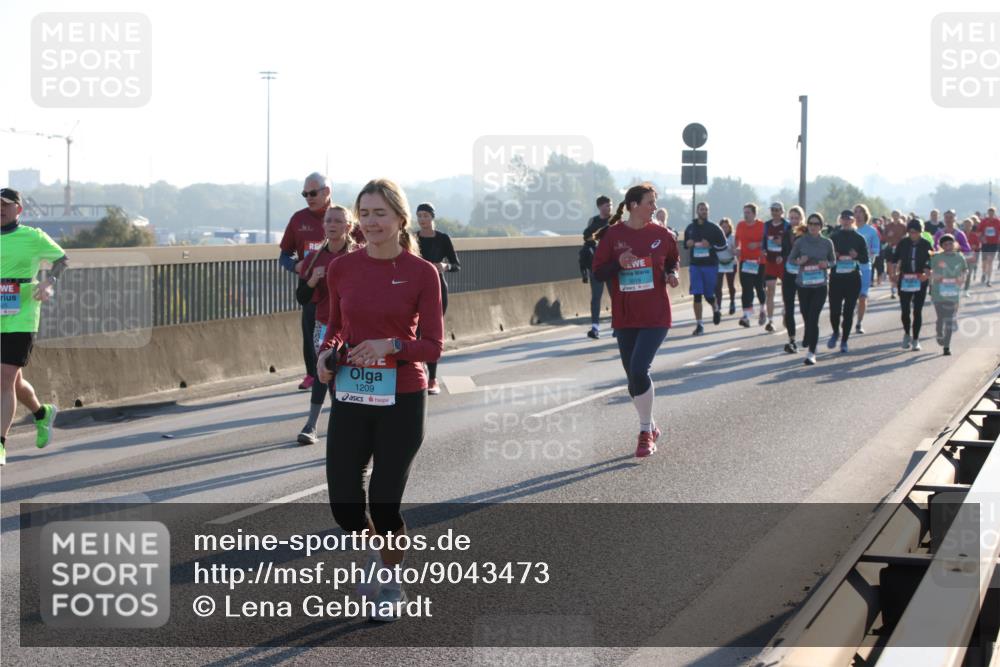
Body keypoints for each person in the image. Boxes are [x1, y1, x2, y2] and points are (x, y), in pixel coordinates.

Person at [317, 178, 443, 621]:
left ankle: (390, 581)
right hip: (352, 392)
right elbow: (334, 326)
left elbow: (431, 347)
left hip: (403, 396)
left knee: (385, 499)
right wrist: (324, 355)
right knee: (346, 507)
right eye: (364, 214)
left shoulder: (422, 272)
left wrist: (391, 345)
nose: (371, 223)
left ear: (400, 219)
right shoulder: (342, 269)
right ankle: (378, 556)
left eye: (380, 214)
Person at [592, 183, 679, 458]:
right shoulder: (612, 236)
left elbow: (672, 261)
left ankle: (644, 433)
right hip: (626, 316)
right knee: (633, 378)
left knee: (640, 369)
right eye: (649, 202)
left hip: (655, 315)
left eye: (655, 202)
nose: (654, 207)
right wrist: (620, 263)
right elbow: (598, 273)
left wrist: (672, 274)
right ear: (633, 205)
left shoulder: (663, 235)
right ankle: (651, 425)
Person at [1, 188, 68, 465]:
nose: (0, 209)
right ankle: (41, 413)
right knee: (11, 381)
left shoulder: (32, 236)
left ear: (19, 209)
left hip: (22, 313)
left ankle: (1, 445)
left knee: (3, 379)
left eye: (6, 205)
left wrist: (48, 283)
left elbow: (61, 259)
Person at [295, 205, 357, 445]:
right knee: (324, 369)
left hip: (353, 326)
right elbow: (301, 297)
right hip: (324, 324)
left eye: (338, 221)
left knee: (346, 376)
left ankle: (347, 427)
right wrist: (312, 280)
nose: (332, 224)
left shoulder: (356, 257)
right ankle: (311, 425)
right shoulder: (314, 259)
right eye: (328, 220)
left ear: (348, 227)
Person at [280, 173, 332, 391]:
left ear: (326, 192)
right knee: (310, 331)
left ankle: (338, 368)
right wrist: (296, 266)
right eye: (305, 194)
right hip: (310, 287)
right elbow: (284, 255)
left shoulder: (341, 217)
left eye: (312, 193)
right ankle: (312, 374)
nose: (308, 198)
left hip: (337, 289)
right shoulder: (298, 219)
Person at [415, 202, 460, 395]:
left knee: (432, 333)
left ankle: (433, 379)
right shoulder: (412, 238)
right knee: (413, 332)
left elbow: (456, 265)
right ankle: (417, 372)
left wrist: (445, 266)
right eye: (419, 216)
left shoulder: (443, 238)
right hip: (414, 288)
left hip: (438, 288)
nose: (422, 219)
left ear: (433, 217)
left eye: (426, 215)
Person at [787, 212, 836, 365]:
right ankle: (808, 332)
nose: (813, 226)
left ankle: (811, 353)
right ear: (807, 225)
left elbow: (833, 261)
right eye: (811, 224)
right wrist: (799, 261)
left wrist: (826, 265)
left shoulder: (827, 243)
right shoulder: (800, 242)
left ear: (821, 226)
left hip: (820, 285)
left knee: (813, 317)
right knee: (806, 314)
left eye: (816, 224)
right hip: (804, 285)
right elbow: (791, 259)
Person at [826, 210, 868, 352]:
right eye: (843, 219)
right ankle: (835, 332)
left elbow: (865, 259)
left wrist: (856, 255)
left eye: (848, 219)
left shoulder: (859, 238)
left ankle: (844, 341)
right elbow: (827, 258)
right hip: (836, 278)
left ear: (853, 221)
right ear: (840, 221)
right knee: (834, 310)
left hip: (853, 278)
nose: (846, 221)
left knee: (849, 311)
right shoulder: (834, 237)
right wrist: (834, 256)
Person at [682, 201, 726, 334]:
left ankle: (716, 308)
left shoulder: (714, 228)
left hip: (710, 265)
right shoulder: (690, 228)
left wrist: (710, 245)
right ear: (697, 211)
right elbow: (685, 244)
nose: (704, 212)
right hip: (695, 265)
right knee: (697, 294)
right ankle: (699, 325)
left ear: (708, 211)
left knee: (708, 295)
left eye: (706, 210)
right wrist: (688, 243)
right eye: (701, 209)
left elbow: (723, 245)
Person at [890, 219, 933, 351]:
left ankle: (915, 339)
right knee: (905, 310)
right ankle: (907, 334)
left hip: (920, 279)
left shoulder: (926, 244)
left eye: (915, 232)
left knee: (917, 310)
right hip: (905, 279)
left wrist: (927, 272)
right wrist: (893, 274)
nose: (912, 234)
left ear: (920, 232)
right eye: (910, 232)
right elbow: (894, 259)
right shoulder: (903, 243)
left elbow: (931, 260)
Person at [931, 234, 968, 356]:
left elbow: (965, 270)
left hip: (953, 293)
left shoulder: (959, 257)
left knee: (949, 319)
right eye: (945, 244)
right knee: (941, 317)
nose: (948, 246)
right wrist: (933, 275)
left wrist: (962, 277)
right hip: (938, 293)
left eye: (950, 243)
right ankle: (938, 330)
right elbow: (928, 270)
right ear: (941, 246)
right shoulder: (936, 257)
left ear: (954, 244)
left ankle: (946, 347)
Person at [582, 196, 613, 339]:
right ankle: (595, 328)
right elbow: (587, 240)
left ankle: (618, 326)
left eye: (611, 205)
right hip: (597, 265)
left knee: (616, 297)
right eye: (607, 205)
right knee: (596, 297)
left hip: (613, 265)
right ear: (600, 207)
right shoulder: (593, 221)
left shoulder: (616, 220)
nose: (610, 207)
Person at [735, 203, 766, 328]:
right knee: (746, 289)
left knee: (759, 287)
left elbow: (767, 241)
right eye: (744, 212)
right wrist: (737, 247)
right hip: (745, 261)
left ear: (754, 214)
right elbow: (737, 239)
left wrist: (758, 245)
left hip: (760, 261)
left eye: (748, 212)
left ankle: (763, 309)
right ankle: (747, 316)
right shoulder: (740, 225)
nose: (746, 215)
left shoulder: (762, 226)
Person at [780, 206, 806, 353]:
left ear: (802, 219)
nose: (794, 221)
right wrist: (781, 257)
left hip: (803, 274)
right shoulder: (786, 233)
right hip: (789, 273)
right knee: (788, 307)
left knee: (804, 307)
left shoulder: (807, 233)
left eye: (797, 218)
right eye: (792, 218)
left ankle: (808, 334)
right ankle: (791, 340)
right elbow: (784, 251)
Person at [762, 202, 790, 333]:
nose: (775, 212)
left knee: (786, 292)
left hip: (783, 262)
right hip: (770, 262)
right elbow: (763, 240)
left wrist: (782, 244)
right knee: (770, 290)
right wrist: (763, 250)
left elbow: (791, 244)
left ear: (782, 212)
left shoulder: (787, 225)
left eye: (777, 210)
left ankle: (785, 312)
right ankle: (771, 321)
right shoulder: (766, 225)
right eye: (773, 210)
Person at [853, 204, 881, 334]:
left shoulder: (871, 231)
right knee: (850, 297)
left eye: (860, 212)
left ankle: (859, 323)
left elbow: (876, 250)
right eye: (855, 212)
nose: (857, 214)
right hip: (848, 268)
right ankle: (847, 319)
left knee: (862, 296)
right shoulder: (849, 230)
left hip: (865, 267)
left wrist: (864, 253)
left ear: (865, 214)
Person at [714, 217, 738, 316]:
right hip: (719, 263)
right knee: (718, 286)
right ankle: (718, 306)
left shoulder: (732, 237)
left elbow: (736, 252)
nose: (724, 229)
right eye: (723, 227)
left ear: (730, 227)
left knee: (730, 284)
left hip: (730, 263)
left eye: (726, 227)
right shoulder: (716, 237)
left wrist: (732, 249)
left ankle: (732, 302)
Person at [883, 211, 907, 298]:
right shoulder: (888, 226)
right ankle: (892, 289)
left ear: (899, 216)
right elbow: (883, 238)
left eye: (897, 215)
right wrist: (888, 236)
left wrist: (903, 239)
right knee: (890, 270)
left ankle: (898, 287)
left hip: (900, 249)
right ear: (892, 216)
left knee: (899, 269)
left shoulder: (903, 226)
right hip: (890, 248)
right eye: (894, 215)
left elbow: (907, 237)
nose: (895, 217)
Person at [979, 207, 1000, 286]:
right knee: (984, 262)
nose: (991, 214)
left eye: (992, 213)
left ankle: (989, 280)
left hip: (994, 243)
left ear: (994, 213)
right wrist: (982, 238)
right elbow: (979, 231)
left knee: (990, 261)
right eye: (989, 213)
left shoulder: (997, 221)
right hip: (985, 244)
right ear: (988, 213)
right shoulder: (984, 221)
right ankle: (984, 273)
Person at [962, 218, 980, 293]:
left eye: (969, 225)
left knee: (969, 273)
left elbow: (978, 246)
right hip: (961, 256)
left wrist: (975, 247)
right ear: (963, 226)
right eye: (966, 225)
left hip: (971, 256)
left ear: (971, 226)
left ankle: (966, 289)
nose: (967, 227)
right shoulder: (960, 234)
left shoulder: (974, 235)